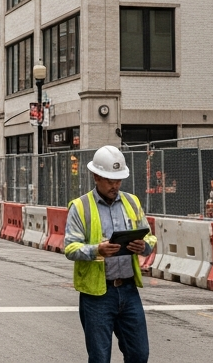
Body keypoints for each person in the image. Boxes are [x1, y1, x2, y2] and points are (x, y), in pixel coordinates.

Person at [63, 146, 157, 363]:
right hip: (97, 296)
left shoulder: (131, 202)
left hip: (128, 290)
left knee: (139, 354)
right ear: (97, 176)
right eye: (109, 180)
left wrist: (143, 246)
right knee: (100, 358)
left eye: (118, 180)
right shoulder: (80, 207)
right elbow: (70, 248)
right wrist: (97, 250)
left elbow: (150, 237)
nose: (115, 185)